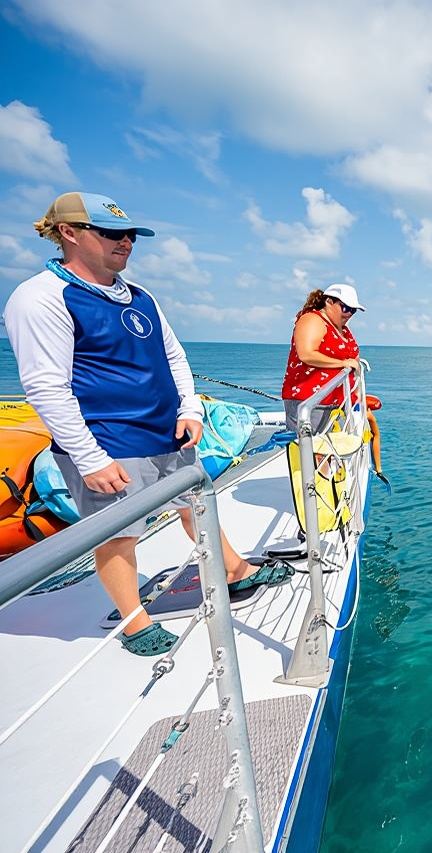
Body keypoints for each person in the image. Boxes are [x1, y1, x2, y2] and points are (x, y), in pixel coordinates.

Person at [4, 192, 292, 656]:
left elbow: (173, 356)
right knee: (117, 533)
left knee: (196, 507)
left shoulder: (140, 295)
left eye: (130, 234)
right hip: (109, 443)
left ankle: (235, 572)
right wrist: (89, 457)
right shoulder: (41, 298)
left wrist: (190, 410)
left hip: (168, 434)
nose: (126, 242)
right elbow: (46, 387)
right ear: (69, 233)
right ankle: (135, 622)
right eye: (111, 233)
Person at [281, 284, 364, 435]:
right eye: (345, 308)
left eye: (353, 310)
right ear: (329, 302)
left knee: (333, 453)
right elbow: (307, 354)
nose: (349, 314)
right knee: (311, 452)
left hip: (337, 404)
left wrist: (357, 396)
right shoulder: (313, 320)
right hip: (312, 403)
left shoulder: (342, 328)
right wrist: (342, 363)